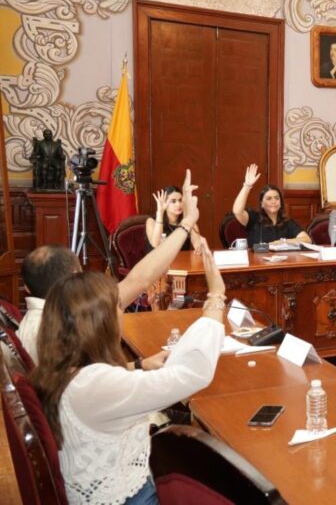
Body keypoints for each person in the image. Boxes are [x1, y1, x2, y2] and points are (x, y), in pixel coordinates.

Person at [31, 172, 226, 504]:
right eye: (118, 307)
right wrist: (216, 296)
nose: (122, 309)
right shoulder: (99, 383)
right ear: (100, 326)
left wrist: (187, 222)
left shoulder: (63, 363)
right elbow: (191, 373)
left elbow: (139, 278)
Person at [18, 171, 208, 363]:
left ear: (26, 287)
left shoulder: (27, 327)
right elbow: (90, 378)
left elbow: (140, 279)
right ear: (74, 277)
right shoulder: (69, 323)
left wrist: (139, 366)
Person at [232, 163, 311, 247]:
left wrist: (282, 242)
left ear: (281, 203)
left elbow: (307, 240)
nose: (273, 201)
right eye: (269, 199)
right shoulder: (253, 218)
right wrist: (247, 186)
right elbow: (237, 211)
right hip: (256, 256)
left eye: (277, 198)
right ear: (262, 204)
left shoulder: (287, 222)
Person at [145, 185, 208, 253]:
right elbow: (155, 245)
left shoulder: (188, 221)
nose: (178, 204)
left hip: (182, 259)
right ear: (164, 203)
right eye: (173, 201)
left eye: (180, 200)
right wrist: (160, 213)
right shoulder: (151, 221)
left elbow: (197, 244)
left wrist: (200, 246)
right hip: (159, 259)